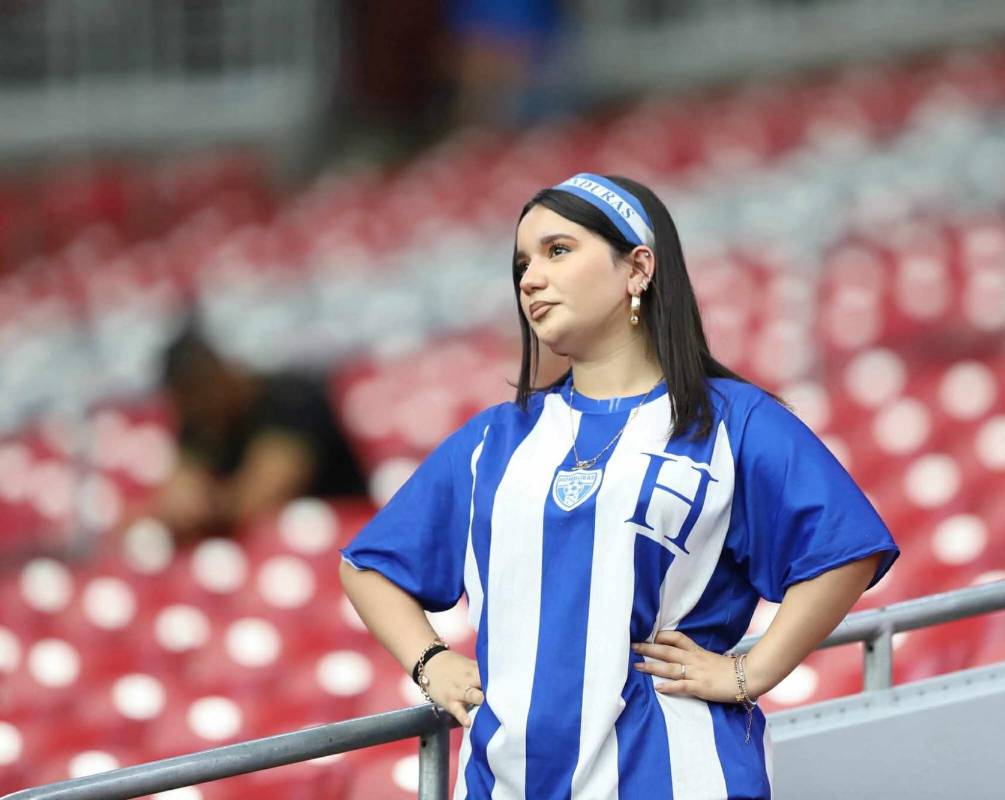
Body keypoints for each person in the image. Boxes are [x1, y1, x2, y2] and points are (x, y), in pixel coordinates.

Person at [339, 173, 901, 799]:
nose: (529, 278)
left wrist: (752, 670)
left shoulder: (731, 421)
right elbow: (368, 568)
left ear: (637, 268)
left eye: (558, 251)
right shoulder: (493, 440)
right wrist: (431, 662)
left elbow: (846, 547)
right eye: (522, 263)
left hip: (679, 777)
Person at [146, 325, 367, 541]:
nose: (200, 407)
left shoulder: (290, 399)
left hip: (341, 537)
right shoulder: (202, 422)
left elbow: (258, 499)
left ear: (222, 374)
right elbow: (180, 495)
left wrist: (205, 508)